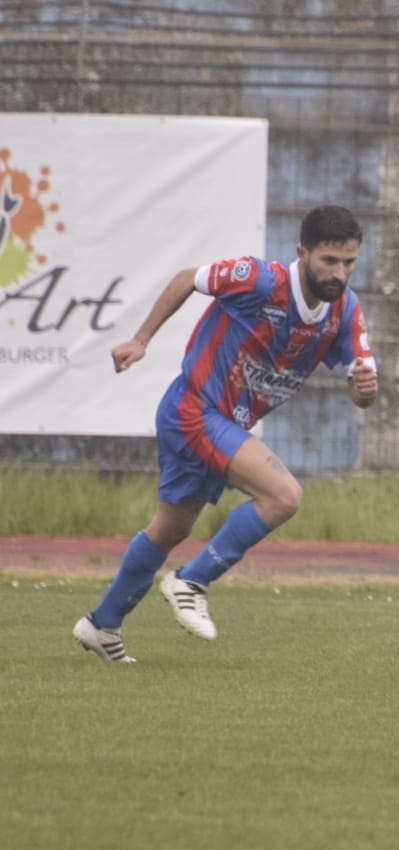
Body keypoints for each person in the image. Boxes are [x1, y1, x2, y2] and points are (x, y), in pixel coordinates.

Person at [72, 205, 378, 662]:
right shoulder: (260, 281)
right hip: (195, 409)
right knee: (283, 496)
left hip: (221, 422)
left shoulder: (345, 311)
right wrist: (141, 339)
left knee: (170, 529)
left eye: (348, 262)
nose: (339, 273)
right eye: (329, 261)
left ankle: (101, 624)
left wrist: (364, 390)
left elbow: (362, 393)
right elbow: (187, 279)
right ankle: (191, 581)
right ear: (303, 253)